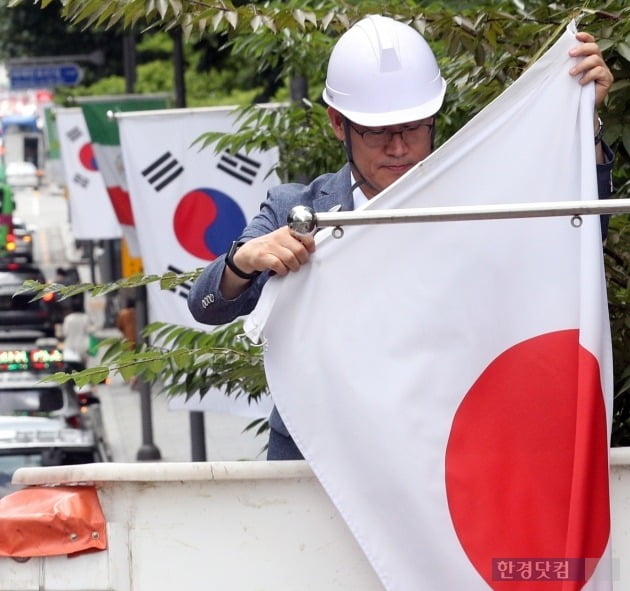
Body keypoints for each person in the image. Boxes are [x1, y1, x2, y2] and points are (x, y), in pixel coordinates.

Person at [188, 15, 615, 460]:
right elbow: (206, 305)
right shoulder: (297, 207)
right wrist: (244, 261)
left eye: (412, 128)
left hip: (439, 452)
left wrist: (583, 123)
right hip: (318, 457)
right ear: (339, 124)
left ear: (433, 118)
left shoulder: (477, 204)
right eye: (377, 132)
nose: (398, 147)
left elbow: (576, 241)